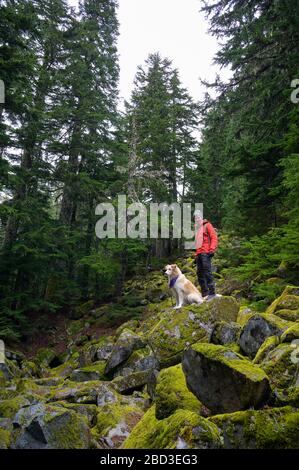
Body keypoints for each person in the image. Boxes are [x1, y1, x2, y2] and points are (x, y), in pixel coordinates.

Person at [194, 209, 219, 301]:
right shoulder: (197, 228)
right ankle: (205, 293)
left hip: (206, 252)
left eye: (198, 217)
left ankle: (212, 293)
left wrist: (212, 249)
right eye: (195, 217)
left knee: (207, 272)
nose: (197, 219)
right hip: (199, 253)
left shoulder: (207, 225)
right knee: (199, 273)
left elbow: (214, 237)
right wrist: (196, 254)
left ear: (201, 217)